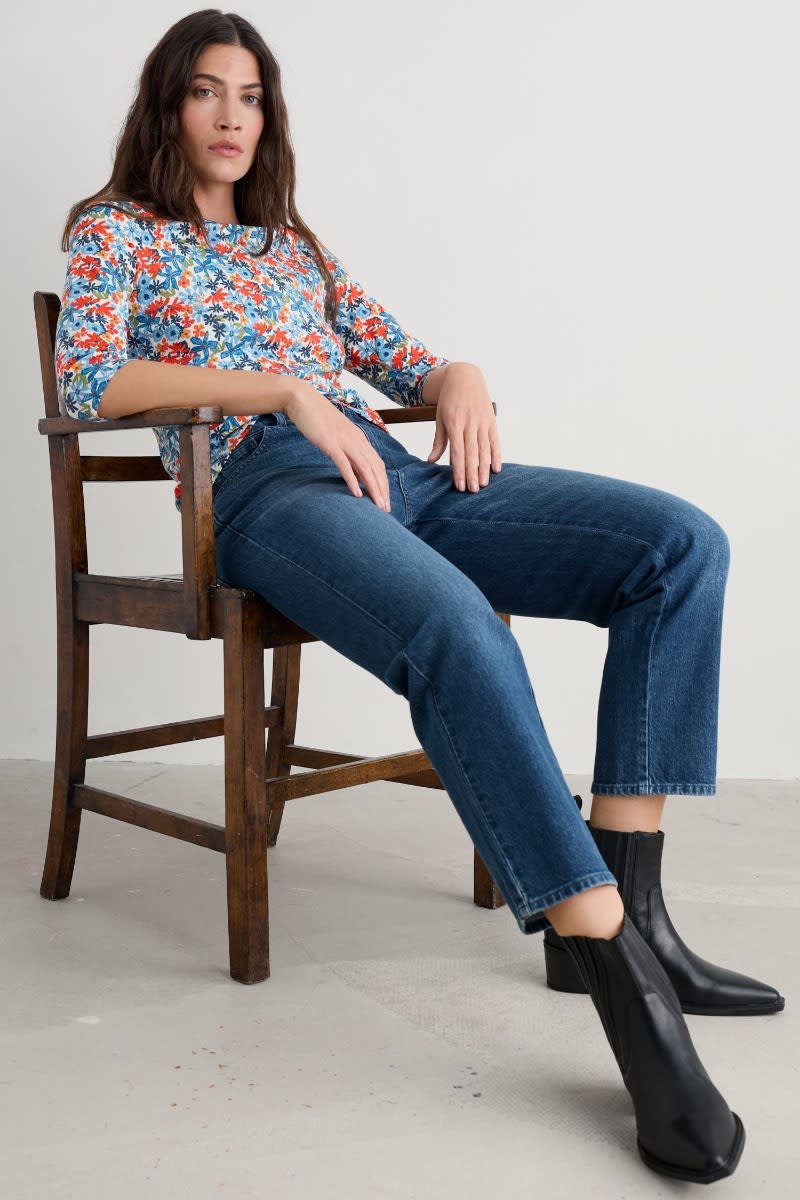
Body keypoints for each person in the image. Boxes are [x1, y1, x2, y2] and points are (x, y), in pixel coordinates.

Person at [54, 7, 784, 1183]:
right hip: (266, 495)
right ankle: (616, 972)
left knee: (675, 546)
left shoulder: (292, 248)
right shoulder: (116, 231)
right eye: (205, 91)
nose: (232, 116)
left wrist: (461, 375)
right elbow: (89, 376)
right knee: (454, 623)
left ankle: (636, 901)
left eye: (251, 95)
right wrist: (282, 391)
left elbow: (403, 358)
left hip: (395, 477)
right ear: (167, 105)